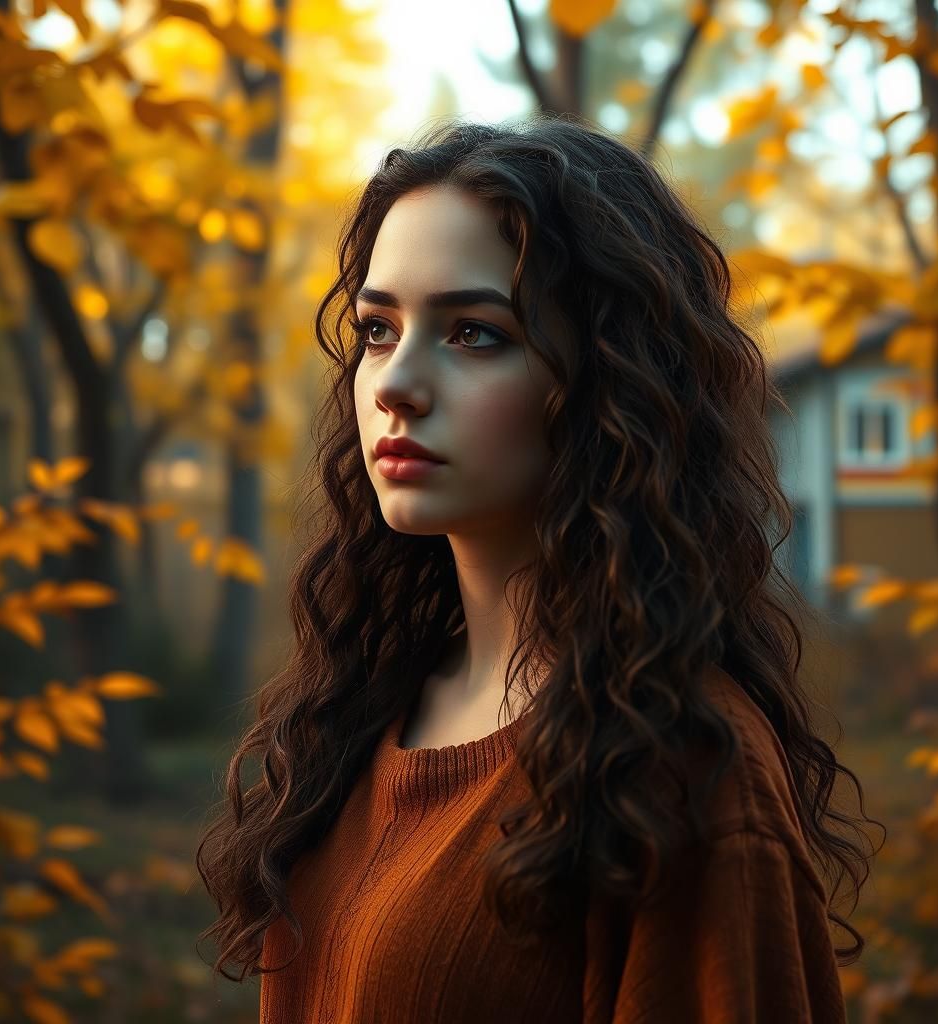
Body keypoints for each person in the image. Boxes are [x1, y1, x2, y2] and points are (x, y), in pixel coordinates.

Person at [196, 114, 882, 1022]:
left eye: (474, 333)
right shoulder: (359, 713)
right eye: (377, 329)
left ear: (608, 383)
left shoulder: (679, 769)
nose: (397, 383)